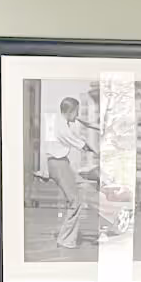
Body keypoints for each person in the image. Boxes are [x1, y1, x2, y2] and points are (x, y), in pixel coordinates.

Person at [41, 97, 97, 249]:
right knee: (75, 201)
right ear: (69, 111)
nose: (78, 115)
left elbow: (80, 124)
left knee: (84, 186)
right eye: (76, 112)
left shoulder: (60, 121)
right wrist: (97, 152)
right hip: (59, 164)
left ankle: (112, 214)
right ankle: (65, 239)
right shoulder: (63, 128)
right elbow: (82, 145)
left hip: (60, 163)